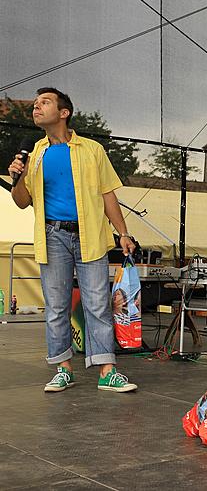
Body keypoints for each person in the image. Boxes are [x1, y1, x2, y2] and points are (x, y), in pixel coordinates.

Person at [7, 87, 137, 393]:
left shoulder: (91, 149)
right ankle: (63, 369)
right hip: (52, 235)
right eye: (36, 104)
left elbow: (108, 194)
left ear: (63, 113)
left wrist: (123, 233)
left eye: (45, 103)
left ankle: (107, 370)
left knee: (97, 303)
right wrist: (19, 177)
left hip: (89, 234)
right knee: (56, 306)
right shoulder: (35, 154)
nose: (37, 107)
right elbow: (22, 201)